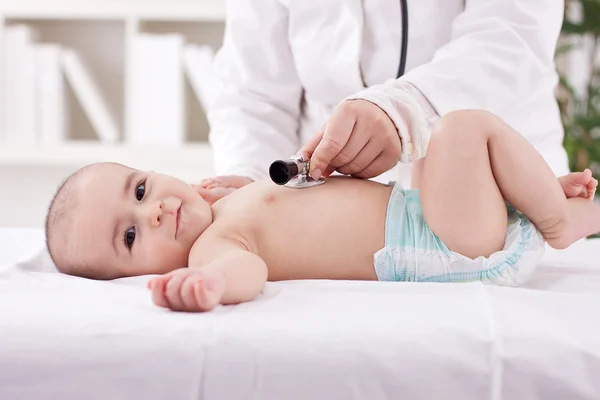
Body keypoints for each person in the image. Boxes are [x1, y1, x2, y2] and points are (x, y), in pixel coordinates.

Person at [45, 111, 598, 312]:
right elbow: (248, 272)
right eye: (130, 237)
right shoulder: (216, 248)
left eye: (140, 192)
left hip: (435, 216)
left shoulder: (224, 202)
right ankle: (558, 223)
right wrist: (207, 283)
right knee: (459, 128)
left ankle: (540, 197)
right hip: (444, 247)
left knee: (434, 147)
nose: (157, 214)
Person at [201, 0, 569, 203]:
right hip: (335, 229)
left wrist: (404, 112)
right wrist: (249, 177)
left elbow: (511, 38)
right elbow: (251, 87)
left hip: (500, 199)